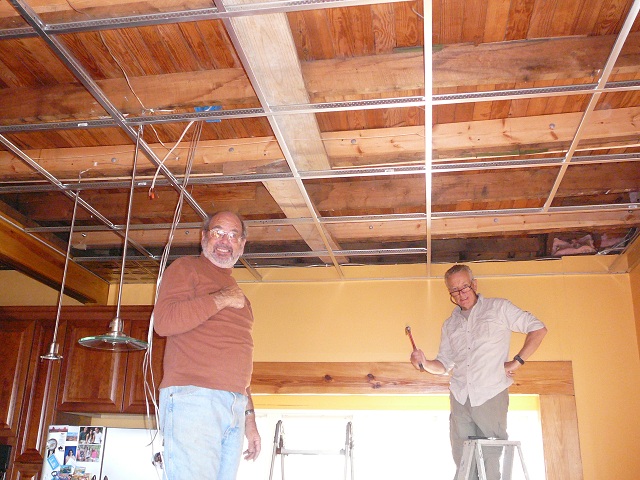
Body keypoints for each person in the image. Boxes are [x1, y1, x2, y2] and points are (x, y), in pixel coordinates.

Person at [410, 264, 547, 480]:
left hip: (490, 394)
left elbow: (538, 328)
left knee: (490, 460)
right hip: (460, 397)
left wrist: (517, 362)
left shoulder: (499, 308)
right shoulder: (450, 324)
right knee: (463, 461)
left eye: (464, 287)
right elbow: (444, 364)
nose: (461, 294)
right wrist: (424, 363)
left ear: (474, 284)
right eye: (454, 290)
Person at [154, 211, 261, 480]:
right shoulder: (185, 268)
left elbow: (239, 360)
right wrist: (221, 298)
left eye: (233, 235)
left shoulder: (237, 291)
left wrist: (249, 417)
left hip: (234, 405)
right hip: (194, 398)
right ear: (204, 237)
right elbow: (164, 323)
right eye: (218, 232)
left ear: (242, 244)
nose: (225, 240)